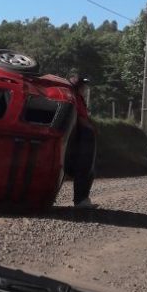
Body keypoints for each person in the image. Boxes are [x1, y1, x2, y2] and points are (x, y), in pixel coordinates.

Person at [66, 75, 98, 208]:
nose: (85, 88)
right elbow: (80, 118)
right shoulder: (73, 98)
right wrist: (91, 128)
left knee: (87, 170)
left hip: (82, 137)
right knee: (84, 168)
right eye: (82, 86)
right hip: (80, 138)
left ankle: (82, 199)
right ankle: (81, 200)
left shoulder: (79, 98)